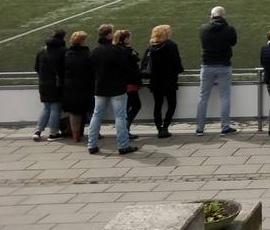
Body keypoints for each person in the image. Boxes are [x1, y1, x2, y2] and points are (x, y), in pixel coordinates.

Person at [87, 24, 137, 154]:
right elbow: (126, 69)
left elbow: (90, 70)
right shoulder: (118, 51)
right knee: (120, 117)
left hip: (100, 87)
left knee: (96, 115)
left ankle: (91, 144)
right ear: (109, 35)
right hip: (117, 87)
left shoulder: (94, 51)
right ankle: (123, 145)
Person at [196, 6, 238, 136]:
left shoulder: (203, 29)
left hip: (207, 65)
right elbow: (233, 42)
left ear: (211, 15)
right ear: (223, 16)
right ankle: (225, 126)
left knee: (203, 97)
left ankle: (200, 128)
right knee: (225, 97)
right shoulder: (229, 29)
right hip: (224, 65)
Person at [141, 26, 182, 139]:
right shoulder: (171, 46)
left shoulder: (150, 48)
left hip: (156, 81)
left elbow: (144, 65)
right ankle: (165, 127)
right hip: (169, 80)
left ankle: (159, 128)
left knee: (157, 105)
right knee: (172, 104)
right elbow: (177, 64)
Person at [33, 30, 67, 141]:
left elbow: (36, 68)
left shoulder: (41, 51)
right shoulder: (63, 51)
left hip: (43, 83)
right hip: (55, 84)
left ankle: (38, 131)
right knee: (55, 108)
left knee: (46, 107)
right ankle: (53, 133)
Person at [62, 31, 92, 143]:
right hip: (85, 85)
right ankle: (89, 133)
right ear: (82, 41)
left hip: (70, 86)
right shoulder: (87, 54)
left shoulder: (67, 53)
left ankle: (75, 135)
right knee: (87, 110)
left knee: (74, 112)